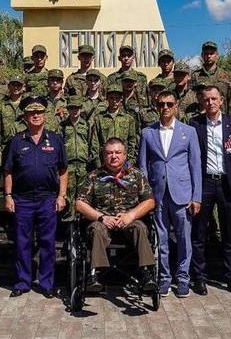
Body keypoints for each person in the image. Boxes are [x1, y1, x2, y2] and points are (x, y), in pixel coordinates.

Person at [138, 91, 202, 297]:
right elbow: (143, 168)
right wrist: (146, 196)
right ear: (157, 107)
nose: (165, 107)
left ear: (176, 107)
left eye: (169, 104)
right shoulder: (147, 133)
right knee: (162, 239)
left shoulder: (189, 132)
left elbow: (195, 166)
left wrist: (196, 196)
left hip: (182, 194)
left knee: (184, 239)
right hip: (158, 195)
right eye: (161, 104)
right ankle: (164, 278)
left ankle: (183, 278)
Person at [3, 96, 68, 298]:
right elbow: (8, 171)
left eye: (39, 112)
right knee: (22, 242)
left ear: (45, 115)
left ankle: (47, 283)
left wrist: (62, 195)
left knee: (47, 242)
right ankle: (23, 281)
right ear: (25, 116)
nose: (36, 115)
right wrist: (8, 196)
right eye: (32, 112)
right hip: (22, 199)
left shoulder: (56, 140)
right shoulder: (16, 141)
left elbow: (63, 170)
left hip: (47, 198)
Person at [75, 138, 157, 293]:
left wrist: (130, 216)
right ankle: (94, 276)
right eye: (109, 153)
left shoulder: (136, 175)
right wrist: (102, 217)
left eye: (118, 152)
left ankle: (147, 274)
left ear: (125, 155)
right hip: (103, 223)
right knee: (96, 228)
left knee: (140, 227)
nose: (113, 156)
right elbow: (79, 204)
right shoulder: (93, 176)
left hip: (129, 224)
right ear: (103, 156)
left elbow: (150, 202)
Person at [189, 85, 231, 296]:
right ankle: (199, 278)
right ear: (202, 102)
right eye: (206, 99)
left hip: (227, 184)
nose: (210, 102)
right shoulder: (195, 124)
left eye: (214, 99)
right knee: (199, 234)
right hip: (204, 184)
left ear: (221, 101)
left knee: (229, 235)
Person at [89, 84, 138, 169]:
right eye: (111, 98)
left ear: (121, 99)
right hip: (105, 162)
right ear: (107, 99)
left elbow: (132, 142)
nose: (114, 101)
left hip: (123, 163)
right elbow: (95, 143)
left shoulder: (128, 119)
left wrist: (129, 162)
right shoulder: (99, 118)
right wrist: (98, 165)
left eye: (117, 98)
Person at [60, 95, 91, 222]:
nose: (74, 110)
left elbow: (91, 142)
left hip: (83, 165)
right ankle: (69, 223)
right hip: (69, 165)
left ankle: (81, 222)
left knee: (83, 195)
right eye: (72, 108)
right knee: (68, 194)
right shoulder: (62, 126)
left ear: (81, 108)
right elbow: (59, 145)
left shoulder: (86, 125)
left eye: (77, 108)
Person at [191, 41, 231, 116]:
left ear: (217, 55)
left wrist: (230, 119)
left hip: (223, 118)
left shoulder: (227, 75)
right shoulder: (195, 76)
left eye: (211, 53)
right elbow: (191, 98)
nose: (209, 56)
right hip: (201, 119)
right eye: (206, 54)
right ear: (202, 55)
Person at [0, 74, 26, 145]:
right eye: (13, 85)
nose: (16, 87)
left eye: (18, 85)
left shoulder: (27, 105)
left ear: (23, 87)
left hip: (25, 144)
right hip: (7, 145)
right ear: (9, 86)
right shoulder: (1, 106)